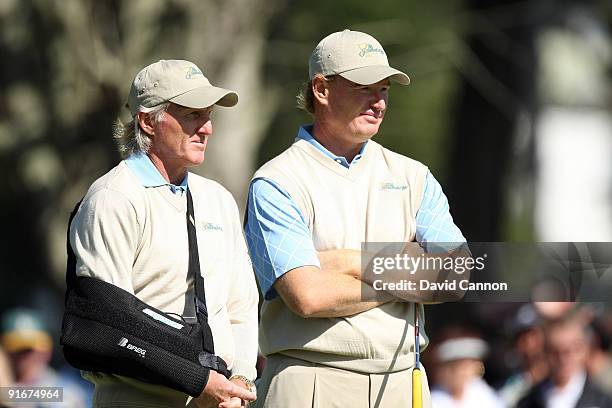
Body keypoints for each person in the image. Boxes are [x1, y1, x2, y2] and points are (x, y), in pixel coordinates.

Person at [245, 29, 467, 407]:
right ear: (321, 89)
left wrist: (351, 263)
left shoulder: (414, 176)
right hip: (310, 379)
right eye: (365, 88)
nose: (378, 102)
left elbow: (458, 275)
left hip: (401, 381)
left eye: (384, 90)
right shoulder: (277, 180)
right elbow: (309, 296)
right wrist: (406, 269)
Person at [69, 60, 258, 408]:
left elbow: (240, 308)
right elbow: (109, 326)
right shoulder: (113, 198)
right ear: (147, 121)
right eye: (191, 115)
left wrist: (241, 380)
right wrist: (199, 381)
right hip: (136, 398)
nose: (207, 129)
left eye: (209, 115)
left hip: (220, 399)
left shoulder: (218, 200)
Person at [0, 307, 88, 407]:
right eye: (16, 350)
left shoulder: (65, 390)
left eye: (29, 350)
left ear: (46, 351)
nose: (23, 358)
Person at [517, 317, 612, 408]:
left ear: (585, 349)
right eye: (555, 351)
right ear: (545, 353)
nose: (564, 358)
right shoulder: (529, 400)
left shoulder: (603, 399)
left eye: (573, 349)